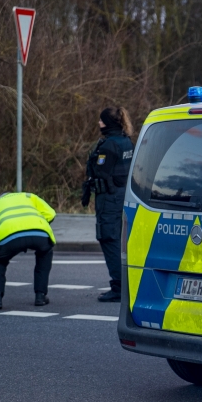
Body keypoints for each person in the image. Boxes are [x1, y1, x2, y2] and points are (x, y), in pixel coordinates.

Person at [0, 192, 57, 310]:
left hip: (8, 236)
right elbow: (51, 213)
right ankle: (40, 296)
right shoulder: (28, 196)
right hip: (39, 232)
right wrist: (34, 224)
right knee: (45, 253)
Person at [83, 107, 135, 302]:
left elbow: (101, 172)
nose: (98, 124)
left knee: (108, 238)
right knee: (120, 240)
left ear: (108, 123)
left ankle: (118, 286)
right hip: (122, 195)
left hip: (109, 197)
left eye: (101, 121)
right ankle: (125, 283)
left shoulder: (109, 145)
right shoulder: (126, 141)